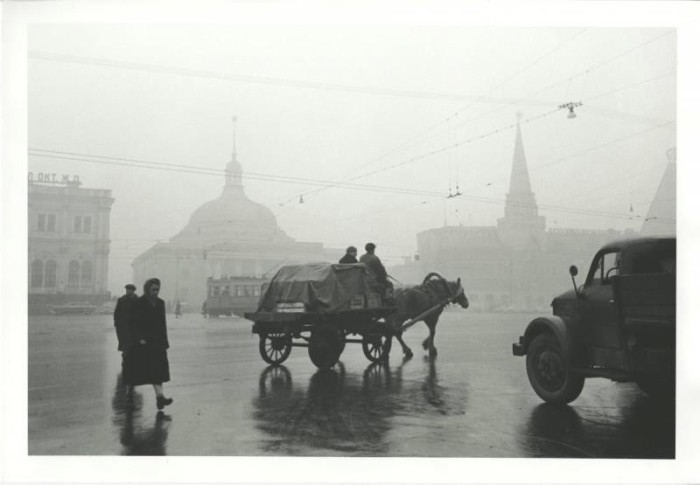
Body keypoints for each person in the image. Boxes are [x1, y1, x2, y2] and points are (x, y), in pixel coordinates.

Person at [129, 278, 173, 411]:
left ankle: (160, 397)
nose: (156, 292)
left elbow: (162, 324)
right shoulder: (139, 302)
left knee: (158, 372)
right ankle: (129, 394)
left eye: (157, 289)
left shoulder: (160, 303)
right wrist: (139, 338)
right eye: (153, 289)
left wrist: (165, 342)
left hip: (158, 343)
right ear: (147, 289)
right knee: (139, 372)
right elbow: (134, 323)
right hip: (144, 343)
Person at [114, 284, 138, 397]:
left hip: (134, 327)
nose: (129, 291)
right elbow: (117, 312)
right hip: (123, 327)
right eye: (127, 290)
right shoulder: (122, 300)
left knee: (132, 345)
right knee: (124, 343)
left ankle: (129, 359)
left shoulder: (138, 300)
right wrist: (117, 324)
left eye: (130, 290)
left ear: (133, 291)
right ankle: (125, 355)